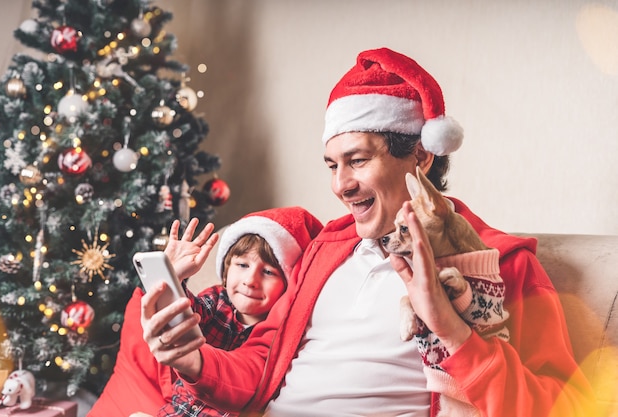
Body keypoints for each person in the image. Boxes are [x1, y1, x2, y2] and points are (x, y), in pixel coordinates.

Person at [140, 47, 596, 416]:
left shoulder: (501, 263)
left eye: (358, 160)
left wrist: (450, 330)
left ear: (420, 157)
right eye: (332, 166)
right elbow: (261, 363)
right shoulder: (325, 250)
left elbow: (563, 407)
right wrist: (193, 361)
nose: (341, 185)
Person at [157, 206, 323, 417]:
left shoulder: (278, 334)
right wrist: (174, 279)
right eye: (243, 265)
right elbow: (186, 314)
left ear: (287, 285)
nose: (250, 281)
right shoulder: (218, 300)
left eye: (268, 272)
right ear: (226, 270)